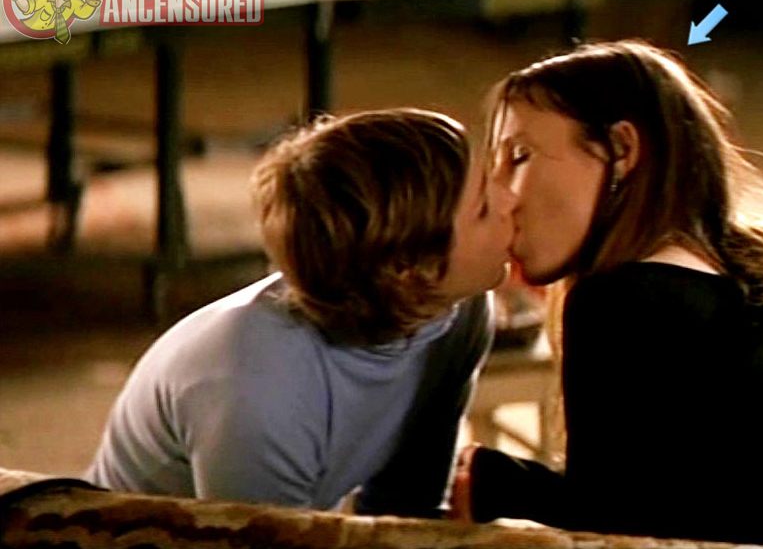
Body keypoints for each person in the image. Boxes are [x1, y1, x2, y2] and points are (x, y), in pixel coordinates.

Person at [450, 40, 763, 549]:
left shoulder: (619, 301)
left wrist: (501, 483)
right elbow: (692, 497)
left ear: (622, 150)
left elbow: (617, 525)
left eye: (520, 157)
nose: (499, 194)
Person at [85, 108, 514, 517]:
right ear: (410, 269)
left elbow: (408, 504)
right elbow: (266, 543)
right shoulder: (256, 385)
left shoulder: (458, 308)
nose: (510, 200)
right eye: (482, 209)